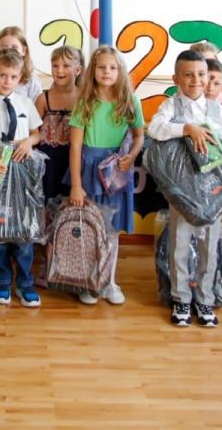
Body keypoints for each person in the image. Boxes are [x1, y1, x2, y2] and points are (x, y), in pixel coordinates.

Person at [147, 50, 222, 328]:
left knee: (209, 244)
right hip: (182, 192)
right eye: (188, 75)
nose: (196, 80)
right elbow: (155, 129)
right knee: (179, 243)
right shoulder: (171, 106)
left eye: (201, 74)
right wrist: (187, 129)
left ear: (209, 77)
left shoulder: (219, 111)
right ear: (176, 79)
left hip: (212, 194)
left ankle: (205, 299)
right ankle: (181, 298)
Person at [68, 46, 143, 305]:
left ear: (120, 71)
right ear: (93, 71)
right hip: (89, 171)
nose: (107, 72)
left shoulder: (130, 101)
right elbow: (75, 146)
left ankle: (109, 281)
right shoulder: (85, 102)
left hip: (116, 174)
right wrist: (76, 185)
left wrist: (132, 155)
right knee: (90, 229)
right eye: (102, 67)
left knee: (111, 231)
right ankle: (90, 282)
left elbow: (139, 135)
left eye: (113, 67)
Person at [0, 48, 43, 307]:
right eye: (2, 75)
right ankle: (3, 279)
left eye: (13, 76)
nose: (7, 81)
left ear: (20, 78)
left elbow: (37, 133)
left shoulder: (25, 103)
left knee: (23, 227)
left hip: (22, 168)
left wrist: (28, 141)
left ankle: (25, 282)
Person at [35, 45, 83, 200]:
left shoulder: (84, 99)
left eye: (66, 66)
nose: (59, 70)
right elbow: (33, 132)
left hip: (74, 163)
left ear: (77, 70)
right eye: (55, 66)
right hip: (48, 165)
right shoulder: (43, 99)